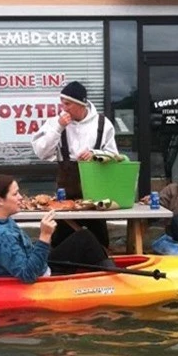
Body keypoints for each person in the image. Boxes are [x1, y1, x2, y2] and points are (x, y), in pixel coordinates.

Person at [0, 174, 113, 283]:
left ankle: (108, 273)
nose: (21, 198)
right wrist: (44, 236)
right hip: (40, 276)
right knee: (85, 240)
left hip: (38, 266)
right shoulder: (0, 235)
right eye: (15, 193)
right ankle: (113, 279)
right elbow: (28, 275)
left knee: (83, 237)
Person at [32, 81, 118, 247]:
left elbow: (115, 156)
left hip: (95, 196)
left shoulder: (102, 123)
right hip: (65, 197)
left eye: (67, 104)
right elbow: (41, 152)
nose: (63, 108)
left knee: (98, 244)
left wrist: (96, 154)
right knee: (62, 245)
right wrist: (58, 128)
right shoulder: (54, 122)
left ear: (81, 104)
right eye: (62, 103)